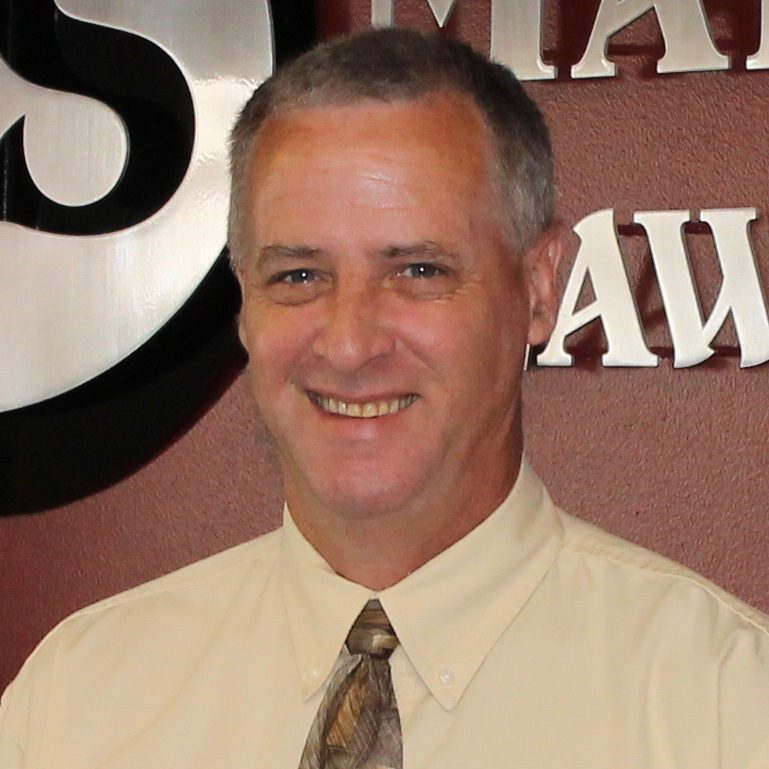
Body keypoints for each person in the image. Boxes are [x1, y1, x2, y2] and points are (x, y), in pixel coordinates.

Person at [2, 27, 769, 769]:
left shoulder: (725, 704)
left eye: (418, 272)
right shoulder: (77, 699)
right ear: (244, 301)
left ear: (538, 287)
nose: (348, 342)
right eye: (298, 275)